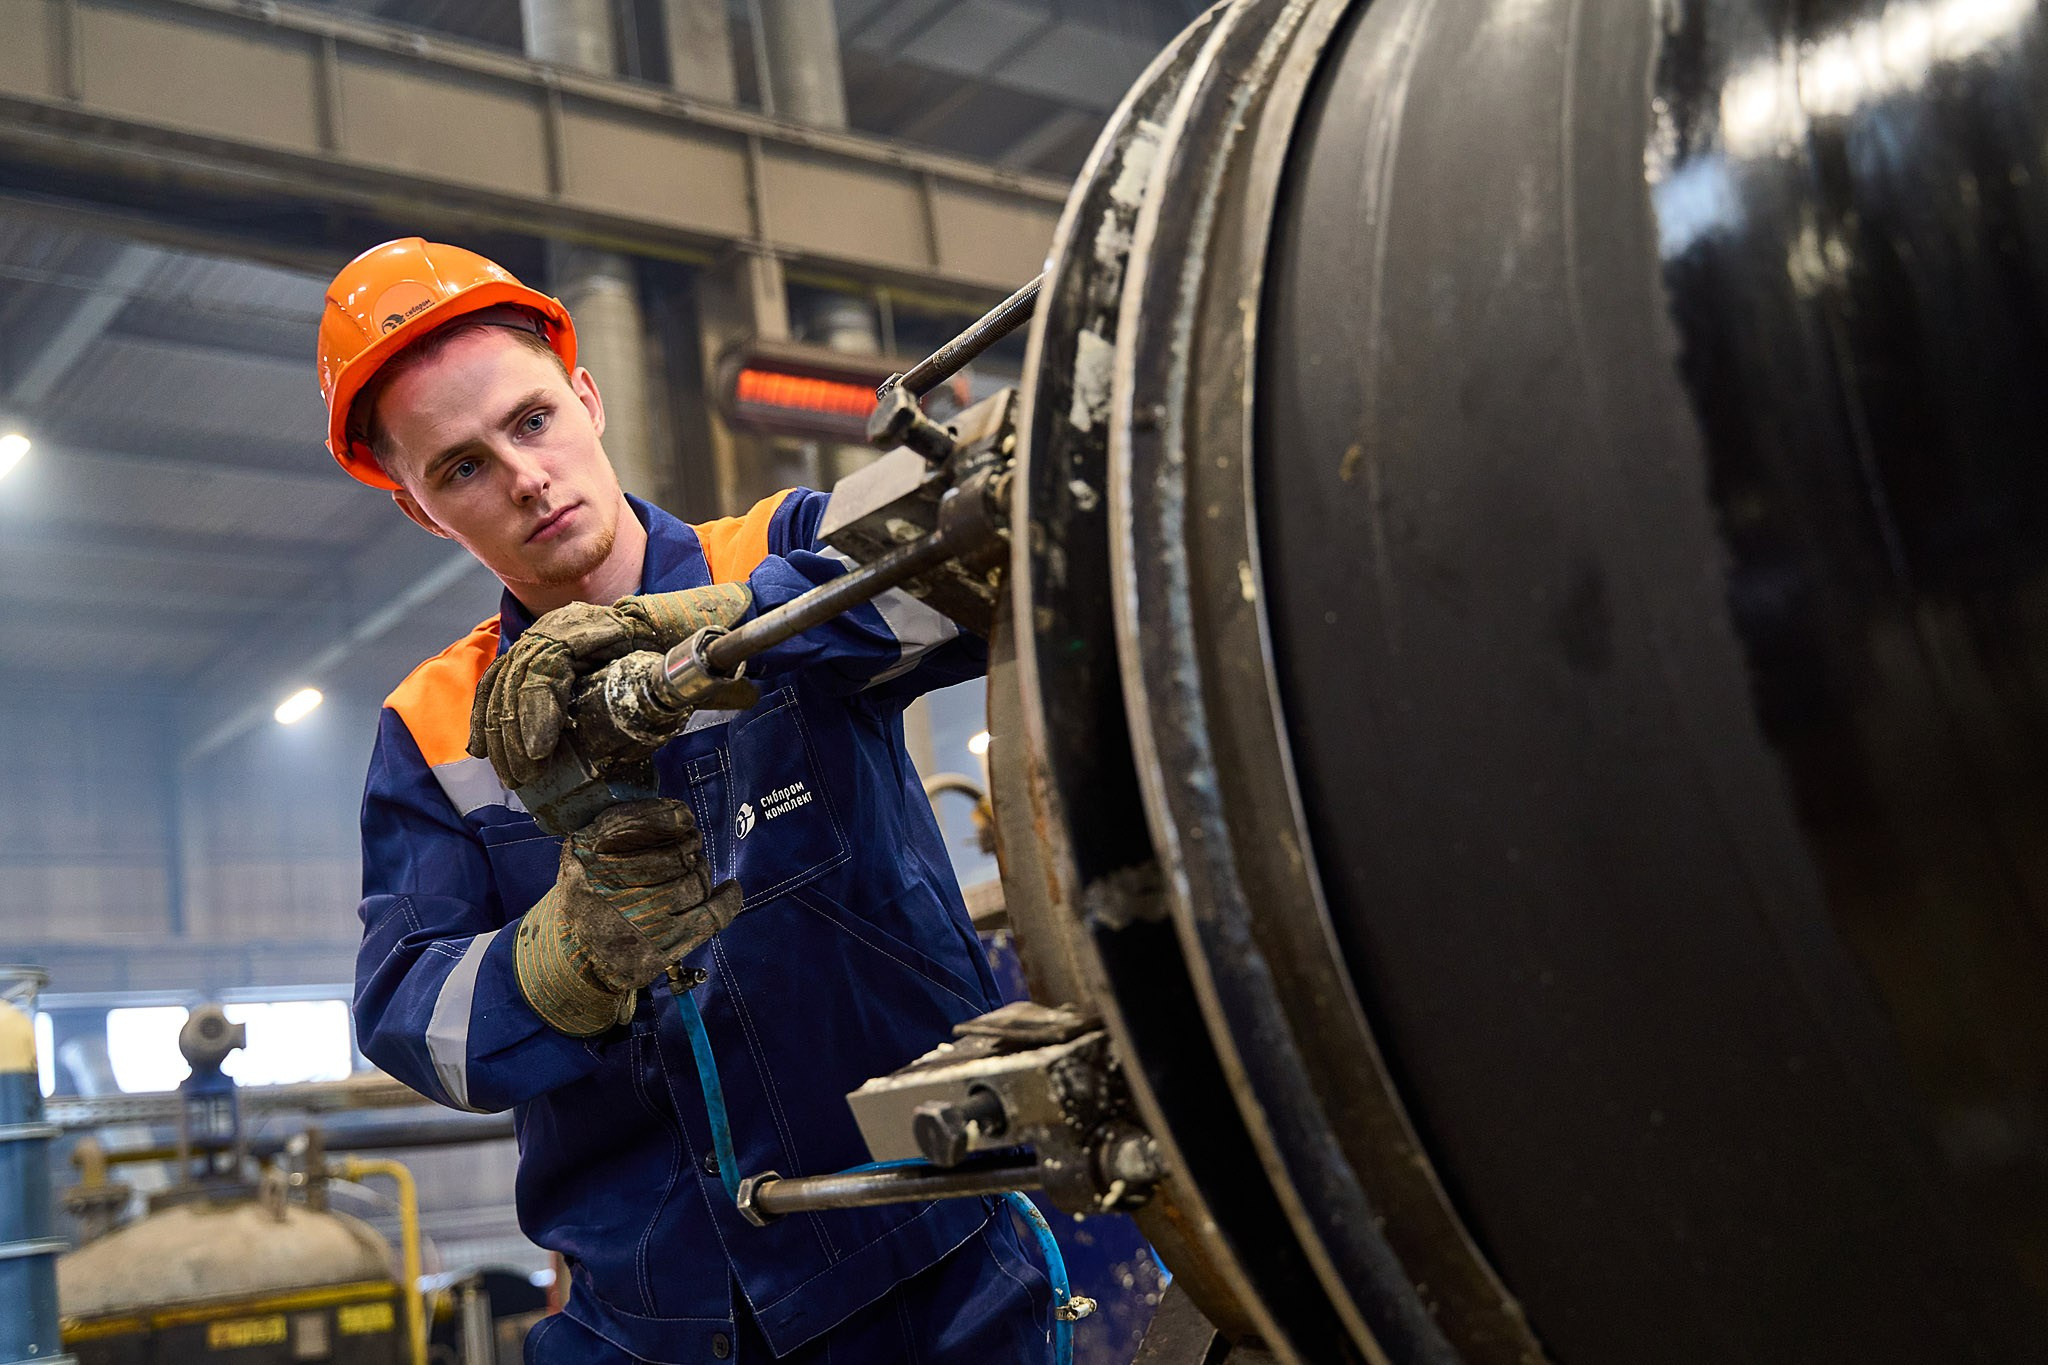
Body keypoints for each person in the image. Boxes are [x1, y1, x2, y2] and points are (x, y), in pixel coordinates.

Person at [323, 238, 1048, 1363]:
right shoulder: (431, 728)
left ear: (585, 397)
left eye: (529, 422)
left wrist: (745, 632)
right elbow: (410, 1016)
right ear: (423, 510)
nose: (523, 477)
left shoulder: (783, 549)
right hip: (647, 1321)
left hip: (921, 1265)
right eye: (460, 468)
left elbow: (988, 545)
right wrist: (559, 962)